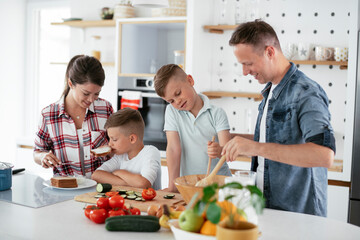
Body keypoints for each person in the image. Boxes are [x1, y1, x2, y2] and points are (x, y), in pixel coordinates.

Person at [221, 20, 336, 216]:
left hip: (300, 218)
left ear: (270, 52)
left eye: (248, 63)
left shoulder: (306, 92)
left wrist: (255, 148)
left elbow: (324, 155)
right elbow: (274, 140)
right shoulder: (270, 90)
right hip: (270, 211)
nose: (245, 72)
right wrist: (234, 140)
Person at [154, 64, 232, 192]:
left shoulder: (217, 113)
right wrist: (173, 186)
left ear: (190, 81)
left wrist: (219, 150)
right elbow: (173, 149)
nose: (177, 102)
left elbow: (227, 151)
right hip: (190, 186)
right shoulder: (172, 112)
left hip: (220, 186)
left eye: (178, 94)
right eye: (171, 101)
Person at [34, 55, 114, 178]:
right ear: (71, 83)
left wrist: (111, 150)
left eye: (97, 93)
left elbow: (118, 145)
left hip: (101, 189)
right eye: (86, 93)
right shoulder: (49, 114)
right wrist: (43, 157)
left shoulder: (105, 108)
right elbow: (38, 152)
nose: (91, 99)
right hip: (65, 188)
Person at [91, 108, 162, 189]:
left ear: (132, 139)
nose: (110, 143)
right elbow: (96, 175)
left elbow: (143, 184)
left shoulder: (150, 152)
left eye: (114, 139)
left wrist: (119, 172)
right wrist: (130, 183)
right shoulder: (120, 156)